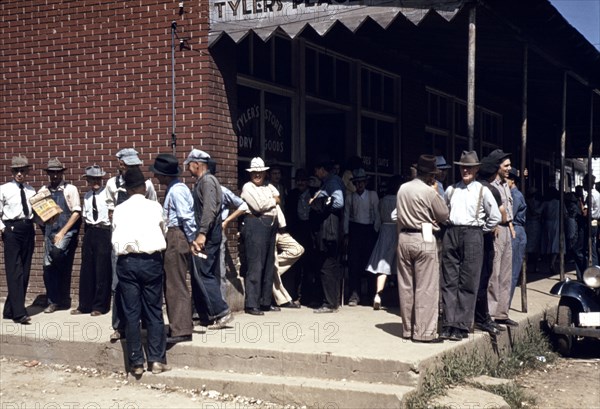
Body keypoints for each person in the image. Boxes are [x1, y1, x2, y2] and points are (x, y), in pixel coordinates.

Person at [111, 167, 169, 376]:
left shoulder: (119, 209)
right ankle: (156, 360)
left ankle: (136, 362)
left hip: (127, 262)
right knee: (154, 310)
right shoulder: (155, 207)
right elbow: (164, 229)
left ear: (126, 189)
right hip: (151, 260)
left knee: (131, 312)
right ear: (144, 188)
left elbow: (115, 231)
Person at [441, 151, 501, 341]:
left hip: (474, 233)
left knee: (468, 281)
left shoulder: (482, 190)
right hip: (452, 232)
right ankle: (449, 323)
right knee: (449, 279)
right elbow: (444, 210)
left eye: (469, 168)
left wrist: (482, 230)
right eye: (462, 167)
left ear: (476, 170)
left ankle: (462, 324)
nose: (465, 170)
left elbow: (495, 217)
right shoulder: (451, 190)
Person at [106, 148, 158, 341]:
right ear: (120, 164)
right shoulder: (112, 184)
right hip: (122, 239)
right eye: (128, 164)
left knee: (144, 286)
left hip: (143, 239)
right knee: (117, 284)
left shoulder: (147, 185)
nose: (132, 168)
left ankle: (144, 325)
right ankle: (119, 326)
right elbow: (109, 210)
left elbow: (153, 209)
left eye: (135, 165)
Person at [396, 155, 449, 343]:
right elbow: (443, 214)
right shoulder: (429, 191)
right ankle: (424, 332)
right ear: (430, 175)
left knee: (406, 286)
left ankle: (408, 329)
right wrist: (435, 193)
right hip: (424, 235)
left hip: (404, 237)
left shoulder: (403, 189)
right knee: (426, 287)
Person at [185, 149, 233, 328]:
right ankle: (203, 314)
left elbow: (210, 209)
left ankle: (222, 312)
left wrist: (202, 233)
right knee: (199, 273)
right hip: (206, 235)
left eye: (189, 164)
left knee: (203, 272)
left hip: (208, 237)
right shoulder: (202, 182)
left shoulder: (208, 181)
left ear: (197, 164)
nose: (188, 168)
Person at [150, 154, 195, 344]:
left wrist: (193, 240)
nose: (156, 178)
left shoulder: (176, 191)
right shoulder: (175, 188)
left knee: (175, 284)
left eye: (158, 174)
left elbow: (186, 217)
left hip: (177, 235)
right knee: (173, 282)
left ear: (165, 175)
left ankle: (181, 329)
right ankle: (178, 326)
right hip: (175, 235)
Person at [39, 158, 81, 313]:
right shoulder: (44, 190)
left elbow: (76, 213)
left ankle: (63, 298)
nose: (55, 176)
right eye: (52, 173)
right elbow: (39, 214)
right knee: (47, 267)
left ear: (62, 173)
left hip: (66, 231)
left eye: (57, 173)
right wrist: (45, 229)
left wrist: (63, 232)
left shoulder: (70, 189)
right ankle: (53, 301)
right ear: (48, 174)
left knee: (57, 255)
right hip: (49, 231)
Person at [240, 157, 279, 315]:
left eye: (260, 172)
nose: (257, 175)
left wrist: (270, 200)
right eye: (254, 172)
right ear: (250, 174)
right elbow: (258, 206)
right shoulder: (247, 187)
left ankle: (265, 302)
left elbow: (279, 197)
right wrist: (272, 201)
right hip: (255, 224)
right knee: (256, 264)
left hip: (270, 225)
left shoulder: (268, 186)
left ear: (264, 173)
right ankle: (252, 304)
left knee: (269, 264)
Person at [71, 165, 112, 316]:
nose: (95, 182)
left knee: (102, 269)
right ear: (87, 180)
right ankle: (84, 305)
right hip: (90, 231)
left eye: (97, 179)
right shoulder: (87, 196)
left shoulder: (107, 194)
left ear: (101, 179)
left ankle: (100, 306)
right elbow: (86, 215)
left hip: (103, 231)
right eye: (92, 179)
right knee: (87, 269)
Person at [1, 156, 36, 324]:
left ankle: (9, 309)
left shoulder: (31, 191)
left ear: (27, 171)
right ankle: (19, 313)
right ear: (12, 172)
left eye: (23, 170)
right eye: (16, 171)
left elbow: (36, 213)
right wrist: (4, 230)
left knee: (25, 270)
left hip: (28, 229)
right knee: (15, 271)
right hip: (12, 230)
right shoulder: (4, 189)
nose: (20, 174)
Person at [486, 149, 518, 328]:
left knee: (506, 274)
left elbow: (509, 208)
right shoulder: (491, 185)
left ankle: (502, 313)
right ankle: (490, 313)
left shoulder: (506, 184)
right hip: (496, 229)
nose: (509, 168)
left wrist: (511, 226)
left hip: (507, 229)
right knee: (495, 273)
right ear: (497, 166)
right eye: (506, 165)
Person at [310, 159, 346, 313]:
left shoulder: (332, 182)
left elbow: (338, 202)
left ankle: (330, 303)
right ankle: (331, 301)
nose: (315, 173)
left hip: (329, 230)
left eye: (316, 170)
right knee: (328, 264)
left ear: (322, 169)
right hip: (328, 229)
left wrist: (319, 203)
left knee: (327, 265)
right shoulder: (330, 182)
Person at [366, 174, 402, 310]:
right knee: (400, 265)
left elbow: (377, 219)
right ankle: (400, 298)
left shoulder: (382, 200)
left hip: (384, 231)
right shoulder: (400, 199)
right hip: (397, 231)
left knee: (382, 265)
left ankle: (378, 294)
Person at [344, 168, 380, 306]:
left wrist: (375, 231)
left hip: (369, 231)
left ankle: (372, 294)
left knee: (370, 264)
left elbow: (377, 214)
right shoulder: (350, 197)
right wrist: (346, 233)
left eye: (362, 182)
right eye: (357, 182)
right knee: (354, 265)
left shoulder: (372, 195)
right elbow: (347, 216)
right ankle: (354, 295)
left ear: (366, 182)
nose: (360, 185)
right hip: (355, 231)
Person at [285, 168, 319, 306]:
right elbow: (288, 214)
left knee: (310, 267)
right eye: (298, 180)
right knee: (296, 267)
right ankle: (295, 295)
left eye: (303, 180)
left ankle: (308, 296)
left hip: (309, 232)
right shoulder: (291, 195)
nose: (301, 183)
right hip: (296, 232)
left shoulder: (314, 194)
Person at [507, 168, 527, 303]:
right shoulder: (512, 193)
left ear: (512, 180)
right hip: (513, 230)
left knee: (512, 271)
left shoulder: (515, 195)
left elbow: (509, 215)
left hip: (516, 230)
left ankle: (506, 303)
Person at [540, 187, 560, 274]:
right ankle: (552, 262)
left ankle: (549, 262)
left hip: (547, 224)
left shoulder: (545, 203)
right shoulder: (559, 203)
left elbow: (537, 211)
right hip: (557, 223)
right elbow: (565, 214)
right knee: (555, 243)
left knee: (547, 242)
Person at [582, 173, 599, 267]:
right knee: (593, 246)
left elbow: (585, 212)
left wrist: (581, 202)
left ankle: (593, 269)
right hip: (595, 221)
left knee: (589, 248)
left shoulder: (590, 196)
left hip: (590, 221)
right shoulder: (597, 194)